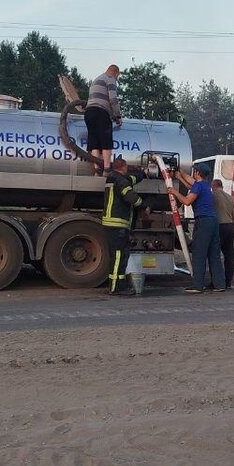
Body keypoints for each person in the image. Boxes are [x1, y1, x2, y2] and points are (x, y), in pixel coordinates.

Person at [168, 164, 225, 294]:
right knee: (213, 254)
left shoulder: (199, 186)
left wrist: (174, 191)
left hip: (203, 222)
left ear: (198, 173)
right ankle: (219, 284)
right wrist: (180, 175)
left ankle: (197, 285)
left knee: (199, 253)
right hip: (213, 222)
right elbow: (191, 185)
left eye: (195, 171)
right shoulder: (205, 185)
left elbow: (187, 201)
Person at [101, 155, 149, 296]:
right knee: (118, 257)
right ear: (123, 167)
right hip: (118, 224)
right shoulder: (121, 181)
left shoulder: (113, 178)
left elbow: (131, 179)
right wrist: (144, 206)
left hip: (111, 223)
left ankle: (115, 285)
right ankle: (117, 288)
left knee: (116, 256)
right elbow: (130, 197)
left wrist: (143, 174)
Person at [85, 64, 123, 175]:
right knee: (106, 141)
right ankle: (107, 169)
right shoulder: (110, 79)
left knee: (94, 142)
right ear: (116, 73)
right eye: (117, 77)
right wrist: (118, 116)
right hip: (101, 112)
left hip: (89, 112)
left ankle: (97, 169)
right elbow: (113, 99)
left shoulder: (96, 79)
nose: (117, 79)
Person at [212, 178, 234, 290]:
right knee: (229, 256)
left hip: (219, 226)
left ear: (214, 186)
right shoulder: (231, 198)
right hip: (230, 227)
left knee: (215, 255)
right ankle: (228, 282)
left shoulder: (214, 196)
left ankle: (217, 281)